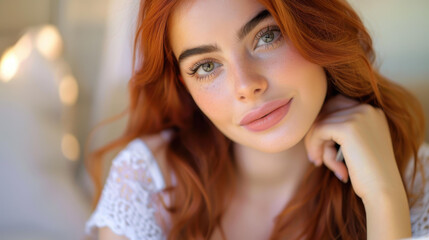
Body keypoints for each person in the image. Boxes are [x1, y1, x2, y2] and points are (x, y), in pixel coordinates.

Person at [84, 0, 429, 239]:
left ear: (315, 25)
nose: (247, 86)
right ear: (184, 85)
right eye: (206, 66)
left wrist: (384, 198)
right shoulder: (148, 183)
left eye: (267, 36)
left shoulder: (412, 179)